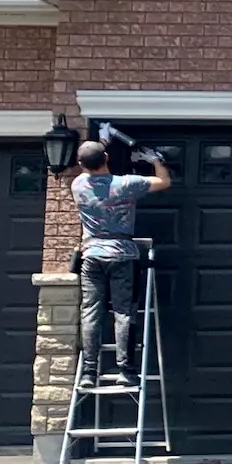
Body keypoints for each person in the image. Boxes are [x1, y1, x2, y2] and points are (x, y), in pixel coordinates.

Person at [69, 139, 171, 386]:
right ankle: (125, 370)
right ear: (106, 158)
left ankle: (89, 373)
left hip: (91, 256)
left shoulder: (78, 185)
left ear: (82, 164)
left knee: (91, 313)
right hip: (122, 254)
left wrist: (101, 142)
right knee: (123, 312)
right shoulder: (126, 184)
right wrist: (155, 159)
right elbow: (164, 182)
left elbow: (90, 162)